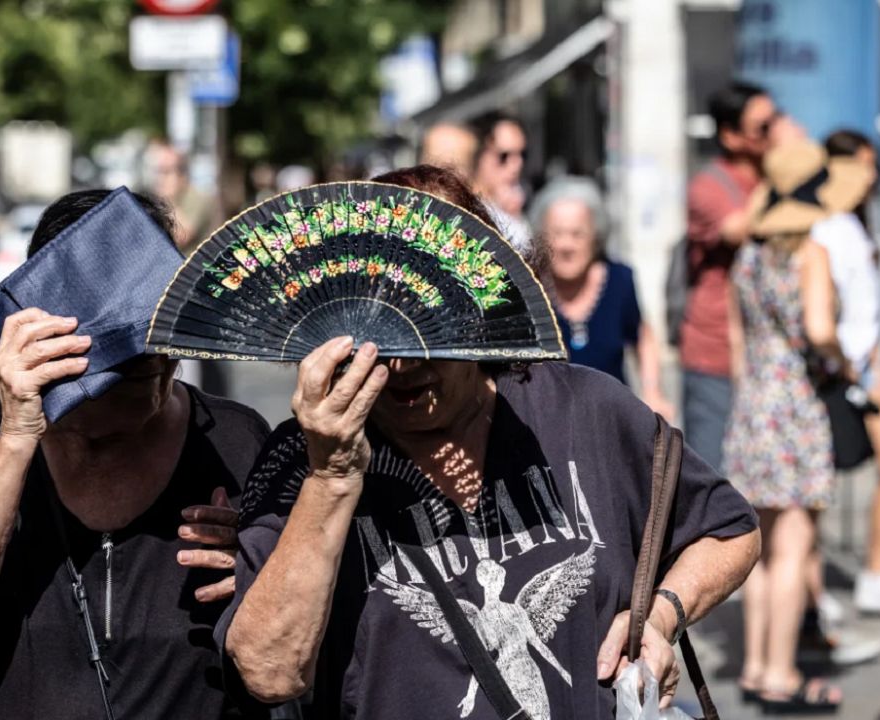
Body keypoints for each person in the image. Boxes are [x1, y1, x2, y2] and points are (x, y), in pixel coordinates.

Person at [218, 164, 761, 719]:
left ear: (479, 311)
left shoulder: (587, 410)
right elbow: (268, 671)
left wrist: (662, 616)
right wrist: (330, 479)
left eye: (427, 325)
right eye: (377, 330)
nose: (401, 362)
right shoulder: (303, 454)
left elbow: (728, 530)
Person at [0, 188, 271, 720]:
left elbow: (282, 650)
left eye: (167, 354)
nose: (158, 379)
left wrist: (259, 569)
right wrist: (17, 437)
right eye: (125, 369)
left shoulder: (235, 440)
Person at [724, 140, 876, 713]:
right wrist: (841, 360)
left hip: (753, 406)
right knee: (794, 547)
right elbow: (817, 328)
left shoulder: (748, 257)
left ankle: (756, 665)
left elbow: (739, 345)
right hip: (795, 408)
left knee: (759, 548)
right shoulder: (808, 254)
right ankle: (782, 673)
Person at [815, 129, 880, 618]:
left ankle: (877, 573)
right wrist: (847, 366)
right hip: (833, 372)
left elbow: (866, 313)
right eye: (861, 165)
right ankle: (811, 594)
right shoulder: (820, 229)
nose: (870, 176)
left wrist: (878, 370)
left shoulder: (854, 225)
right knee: (817, 485)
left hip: (862, 371)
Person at [681, 81, 778, 473]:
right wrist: (784, 177)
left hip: (769, 357)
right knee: (712, 480)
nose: (774, 134)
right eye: (763, 127)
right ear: (730, 135)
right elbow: (740, 228)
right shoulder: (707, 186)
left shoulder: (767, 179)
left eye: (776, 121)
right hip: (715, 353)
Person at [527, 177, 674, 419]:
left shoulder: (620, 280)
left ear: (596, 238)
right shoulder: (529, 287)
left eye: (577, 234)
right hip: (545, 421)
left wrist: (652, 391)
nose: (566, 245)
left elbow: (642, 338)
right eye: (556, 234)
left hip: (611, 421)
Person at [471, 112, 532, 253]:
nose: (517, 164)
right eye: (504, 156)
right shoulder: (466, 207)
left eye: (523, 155)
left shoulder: (515, 204)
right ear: (480, 155)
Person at [149, 142, 213, 255]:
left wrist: (169, 200)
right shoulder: (156, 198)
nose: (160, 177)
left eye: (164, 171)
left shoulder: (197, 197)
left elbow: (181, 238)